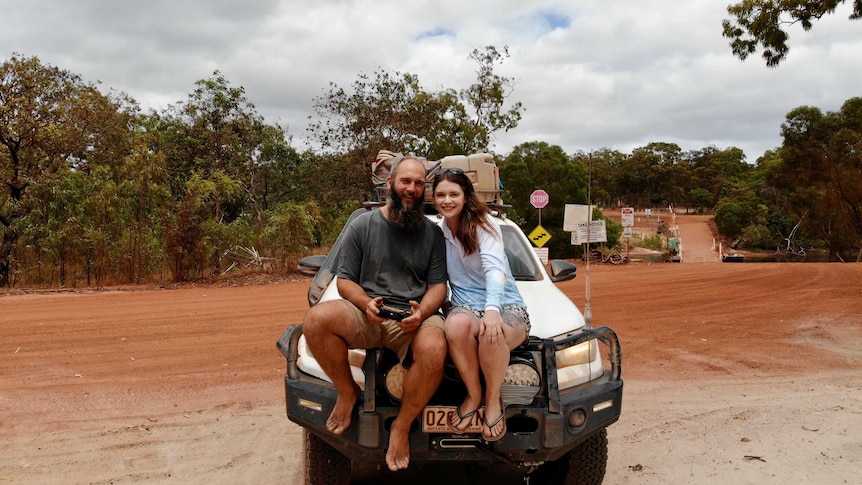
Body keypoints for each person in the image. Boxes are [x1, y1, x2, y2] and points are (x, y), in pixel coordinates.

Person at [302, 157, 448, 472]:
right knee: (314, 321)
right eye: (405, 181)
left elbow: (439, 287)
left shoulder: (433, 234)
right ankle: (347, 391)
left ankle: (402, 425)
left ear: (425, 189)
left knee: (436, 348)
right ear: (390, 184)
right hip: (366, 313)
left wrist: (422, 312)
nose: (411, 189)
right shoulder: (362, 225)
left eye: (418, 183)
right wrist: (365, 303)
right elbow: (344, 281)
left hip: (412, 317)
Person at [432, 168, 530, 442]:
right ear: (434, 198)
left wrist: (492, 311)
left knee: (492, 332)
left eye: (454, 194)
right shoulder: (438, 233)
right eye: (441, 194)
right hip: (466, 307)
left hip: (505, 305)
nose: (447, 200)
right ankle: (473, 395)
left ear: (465, 197)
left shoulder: (485, 225)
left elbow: (494, 270)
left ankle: (493, 400)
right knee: (455, 324)